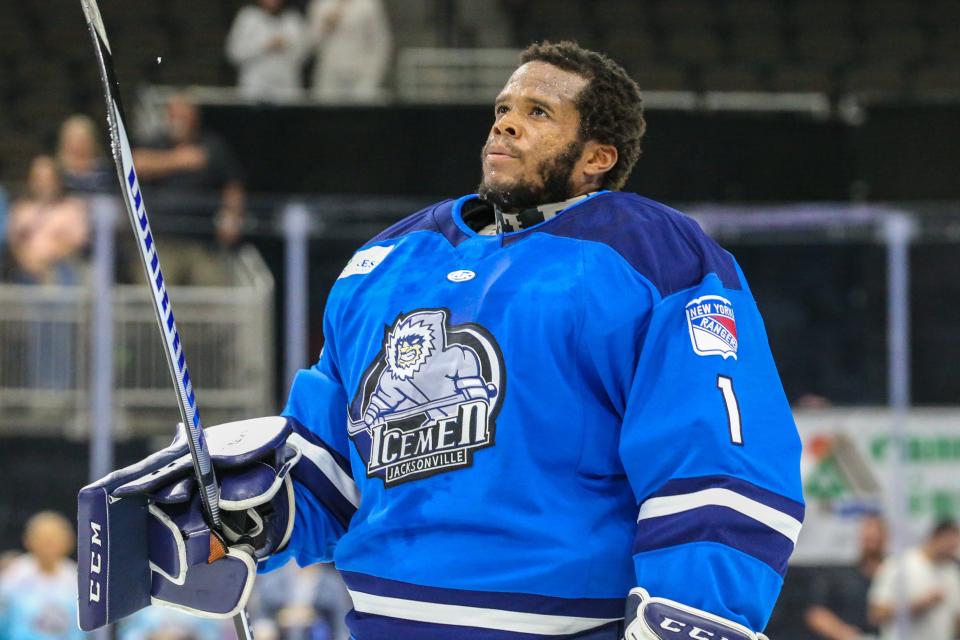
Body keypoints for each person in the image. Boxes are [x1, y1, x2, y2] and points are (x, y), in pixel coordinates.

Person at [78, 41, 804, 640]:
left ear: (598, 157)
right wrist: (249, 512)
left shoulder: (656, 257)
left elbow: (719, 459)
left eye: (538, 113)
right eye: (503, 109)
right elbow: (331, 458)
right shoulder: (391, 260)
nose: (505, 126)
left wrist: (702, 618)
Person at [131, 93, 246, 285]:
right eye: (175, 115)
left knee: (214, 287)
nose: (179, 121)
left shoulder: (211, 146)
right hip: (160, 241)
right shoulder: (156, 142)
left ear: (195, 117)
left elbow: (233, 184)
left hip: (202, 241)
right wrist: (179, 160)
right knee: (153, 289)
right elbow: (136, 164)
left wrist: (231, 217)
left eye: (185, 115)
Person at [868, 519, 960, 640]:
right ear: (936, 538)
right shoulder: (899, 565)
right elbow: (876, 614)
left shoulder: (951, 571)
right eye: (950, 545)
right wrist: (916, 606)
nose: (953, 551)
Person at [6, 155, 89, 284]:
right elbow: (14, 243)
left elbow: (76, 244)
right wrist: (30, 263)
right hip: (26, 271)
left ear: (57, 180)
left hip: (62, 268)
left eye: (48, 178)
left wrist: (47, 261)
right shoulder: (21, 209)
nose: (43, 184)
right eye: (38, 178)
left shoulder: (72, 208)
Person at [0, 512, 84, 640]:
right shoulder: (13, 574)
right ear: (28, 540)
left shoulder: (79, 579)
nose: (47, 544)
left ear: (70, 541)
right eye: (42, 538)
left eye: (54, 538)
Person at [805, 514, 887, 639]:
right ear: (860, 537)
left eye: (877, 534)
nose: (873, 537)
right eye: (868, 535)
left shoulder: (894, 576)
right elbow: (816, 614)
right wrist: (846, 634)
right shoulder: (839, 575)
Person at [306, 0, 391, 101]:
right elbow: (310, 44)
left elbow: (380, 42)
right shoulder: (321, 5)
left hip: (361, 74)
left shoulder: (369, 5)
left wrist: (373, 74)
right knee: (328, 114)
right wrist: (326, 25)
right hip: (329, 74)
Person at [226, 0, 309, 101]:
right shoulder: (248, 18)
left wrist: (286, 45)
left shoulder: (292, 20)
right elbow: (234, 53)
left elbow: (303, 55)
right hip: (254, 89)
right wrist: (265, 46)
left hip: (286, 90)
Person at [56, 114, 113, 195]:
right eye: (74, 140)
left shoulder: (107, 171)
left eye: (83, 140)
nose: (79, 146)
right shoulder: (56, 173)